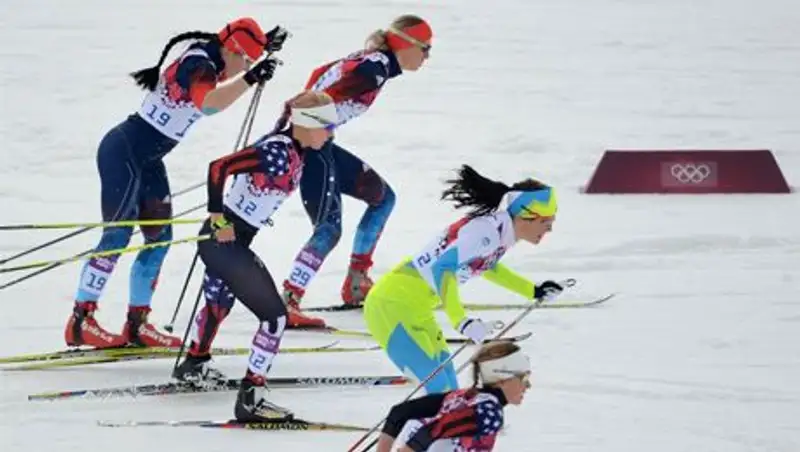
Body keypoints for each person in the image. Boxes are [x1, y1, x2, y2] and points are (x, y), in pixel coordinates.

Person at [64, 18, 289, 349]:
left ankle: (137, 324)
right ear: (231, 50)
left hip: (148, 161)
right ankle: (80, 320)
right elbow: (209, 104)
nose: (244, 69)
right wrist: (251, 78)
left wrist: (261, 47)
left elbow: (227, 71)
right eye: (245, 61)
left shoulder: (214, 57)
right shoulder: (198, 63)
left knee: (159, 239)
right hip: (123, 152)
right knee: (117, 236)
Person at [173, 91, 337, 422]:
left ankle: (193, 364)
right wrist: (218, 219)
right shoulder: (278, 151)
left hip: (228, 242)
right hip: (224, 241)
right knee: (275, 318)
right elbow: (219, 167)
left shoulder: (296, 150)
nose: (332, 134)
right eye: (328, 127)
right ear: (307, 124)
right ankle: (251, 399)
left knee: (218, 305)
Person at [279, 14, 434, 328]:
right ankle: (289, 300)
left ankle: (357, 282)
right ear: (406, 44)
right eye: (425, 48)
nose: (427, 57)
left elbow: (318, 75)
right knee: (328, 229)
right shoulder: (372, 70)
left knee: (383, 199)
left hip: (320, 143)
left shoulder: (373, 62)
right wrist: (297, 140)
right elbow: (310, 100)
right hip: (311, 148)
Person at [364, 165, 565, 395]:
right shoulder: (486, 232)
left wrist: (533, 291)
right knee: (440, 390)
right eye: (546, 221)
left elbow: (487, 266)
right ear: (526, 216)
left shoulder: (498, 231)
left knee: (450, 390)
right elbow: (442, 267)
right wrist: (461, 321)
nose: (550, 228)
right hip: (391, 306)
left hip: (415, 308)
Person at [376, 340, 532, 452]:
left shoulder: (463, 396)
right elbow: (433, 430)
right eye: (523, 378)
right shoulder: (489, 411)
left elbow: (399, 413)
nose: (528, 385)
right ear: (502, 380)